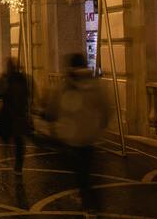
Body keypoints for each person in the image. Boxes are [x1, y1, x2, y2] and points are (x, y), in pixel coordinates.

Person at [51, 53, 109, 214]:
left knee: (79, 172)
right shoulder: (96, 84)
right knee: (87, 169)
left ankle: (89, 202)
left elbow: (54, 108)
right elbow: (105, 109)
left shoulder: (66, 85)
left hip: (71, 136)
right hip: (90, 136)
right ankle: (91, 200)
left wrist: (55, 125)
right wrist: (100, 125)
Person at [0, 58, 30, 175]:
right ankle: (18, 165)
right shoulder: (22, 78)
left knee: (7, 137)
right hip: (18, 113)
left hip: (9, 113)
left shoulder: (8, 78)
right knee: (19, 140)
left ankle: (10, 161)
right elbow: (28, 94)